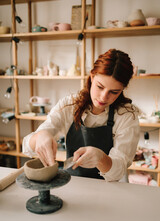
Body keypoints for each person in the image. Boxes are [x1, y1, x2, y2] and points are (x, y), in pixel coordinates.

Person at [23, 48, 140, 181]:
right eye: (100, 87)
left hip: (109, 188)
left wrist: (101, 159)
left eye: (114, 92)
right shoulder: (70, 104)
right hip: (72, 183)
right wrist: (40, 137)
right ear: (92, 77)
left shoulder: (127, 115)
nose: (103, 97)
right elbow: (26, 146)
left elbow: (118, 171)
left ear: (122, 89)